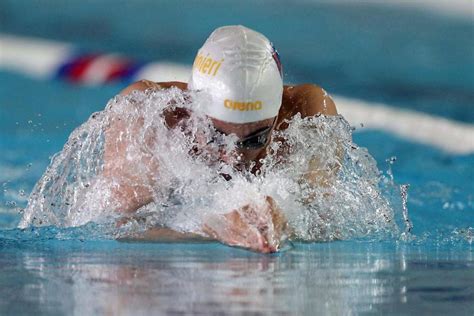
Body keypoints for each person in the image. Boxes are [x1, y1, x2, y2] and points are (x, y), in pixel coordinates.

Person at [104, 25, 338, 253]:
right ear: (192, 110)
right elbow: (119, 227)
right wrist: (212, 227)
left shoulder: (305, 116)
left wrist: (285, 221)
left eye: (255, 140)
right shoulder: (148, 116)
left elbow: (322, 219)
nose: (234, 157)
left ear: (277, 116)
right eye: (217, 136)